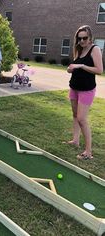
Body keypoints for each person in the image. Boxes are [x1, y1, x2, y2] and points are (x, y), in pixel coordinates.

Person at [66, 25, 103, 160]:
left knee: (82, 119)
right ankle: (75, 140)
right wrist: (70, 69)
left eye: (84, 38)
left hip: (86, 90)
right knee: (75, 115)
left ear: (90, 37)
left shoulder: (95, 49)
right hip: (74, 87)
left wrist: (81, 66)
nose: (81, 41)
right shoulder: (78, 49)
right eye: (79, 38)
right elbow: (74, 67)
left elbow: (99, 70)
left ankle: (88, 152)